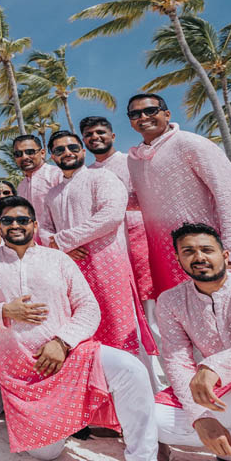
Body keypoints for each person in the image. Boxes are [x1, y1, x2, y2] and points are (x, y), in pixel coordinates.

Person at [0, 196, 183, 461]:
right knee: (47, 454)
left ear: (34, 225)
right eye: (8, 220)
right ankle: (2, 387)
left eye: (22, 219)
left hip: (69, 357)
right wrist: (5, 310)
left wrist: (62, 342)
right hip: (23, 371)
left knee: (130, 369)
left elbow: (88, 308)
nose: (15, 225)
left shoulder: (58, 260)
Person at [154, 223, 231, 461]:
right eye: (188, 251)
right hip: (225, 394)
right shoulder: (171, 301)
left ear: (225, 255)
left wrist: (212, 367)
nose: (199, 257)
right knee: (154, 417)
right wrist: (201, 418)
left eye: (207, 250)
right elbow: (177, 360)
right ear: (178, 259)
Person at [126, 94, 231, 296]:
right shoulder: (135, 160)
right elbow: (142, 200)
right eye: (135, 114)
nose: (143, 116)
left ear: (167, 115)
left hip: (206, 254)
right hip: (165, 261)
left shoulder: (190, 143)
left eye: (150, 111)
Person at [42, 131, 140, 354]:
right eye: (59, 150)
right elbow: (45, 228)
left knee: (119, 325)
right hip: (71, 268)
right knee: (83, 326)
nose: (67, 153)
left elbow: (111, 215)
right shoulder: (52, 194)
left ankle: (137, 385)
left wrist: (65, 240)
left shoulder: (102, 177)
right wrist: (62, 246)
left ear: (83, 151)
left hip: (107, 264)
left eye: (73, 148)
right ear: (52, 157)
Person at [81, 115, 159, 359]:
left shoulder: (130, 162)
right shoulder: (86, 173)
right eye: (89, 135)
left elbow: (149, 196)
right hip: (107, 249)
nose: (96, 137)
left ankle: (162, 365)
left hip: (138, 239)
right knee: (122, 308)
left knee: (151, 306)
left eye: (100, 132)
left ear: (112, 136)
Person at [13, 134, 63, 237]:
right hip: (36, 247)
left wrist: (67, 242)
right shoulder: (21, 186)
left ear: (42, 153)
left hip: (63, 243)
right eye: (18, 154)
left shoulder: (57, 175)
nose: (24, 157)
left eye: (30, 152)